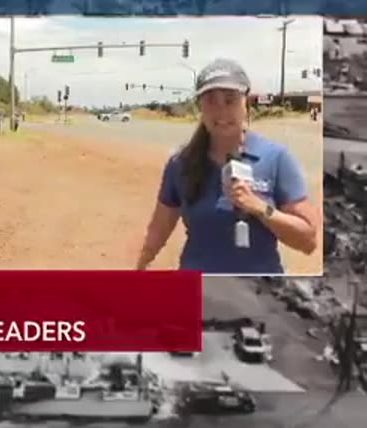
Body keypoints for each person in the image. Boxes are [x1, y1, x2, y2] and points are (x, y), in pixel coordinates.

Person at [135, 59, 320, 275]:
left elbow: (308, 241)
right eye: (211, 101)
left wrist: (260, 208)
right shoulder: (181, 164)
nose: (221, 111)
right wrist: (139, 270)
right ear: (200, 108)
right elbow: (158, 230)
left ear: (246, 103)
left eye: (230, 100)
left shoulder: (276, 158)